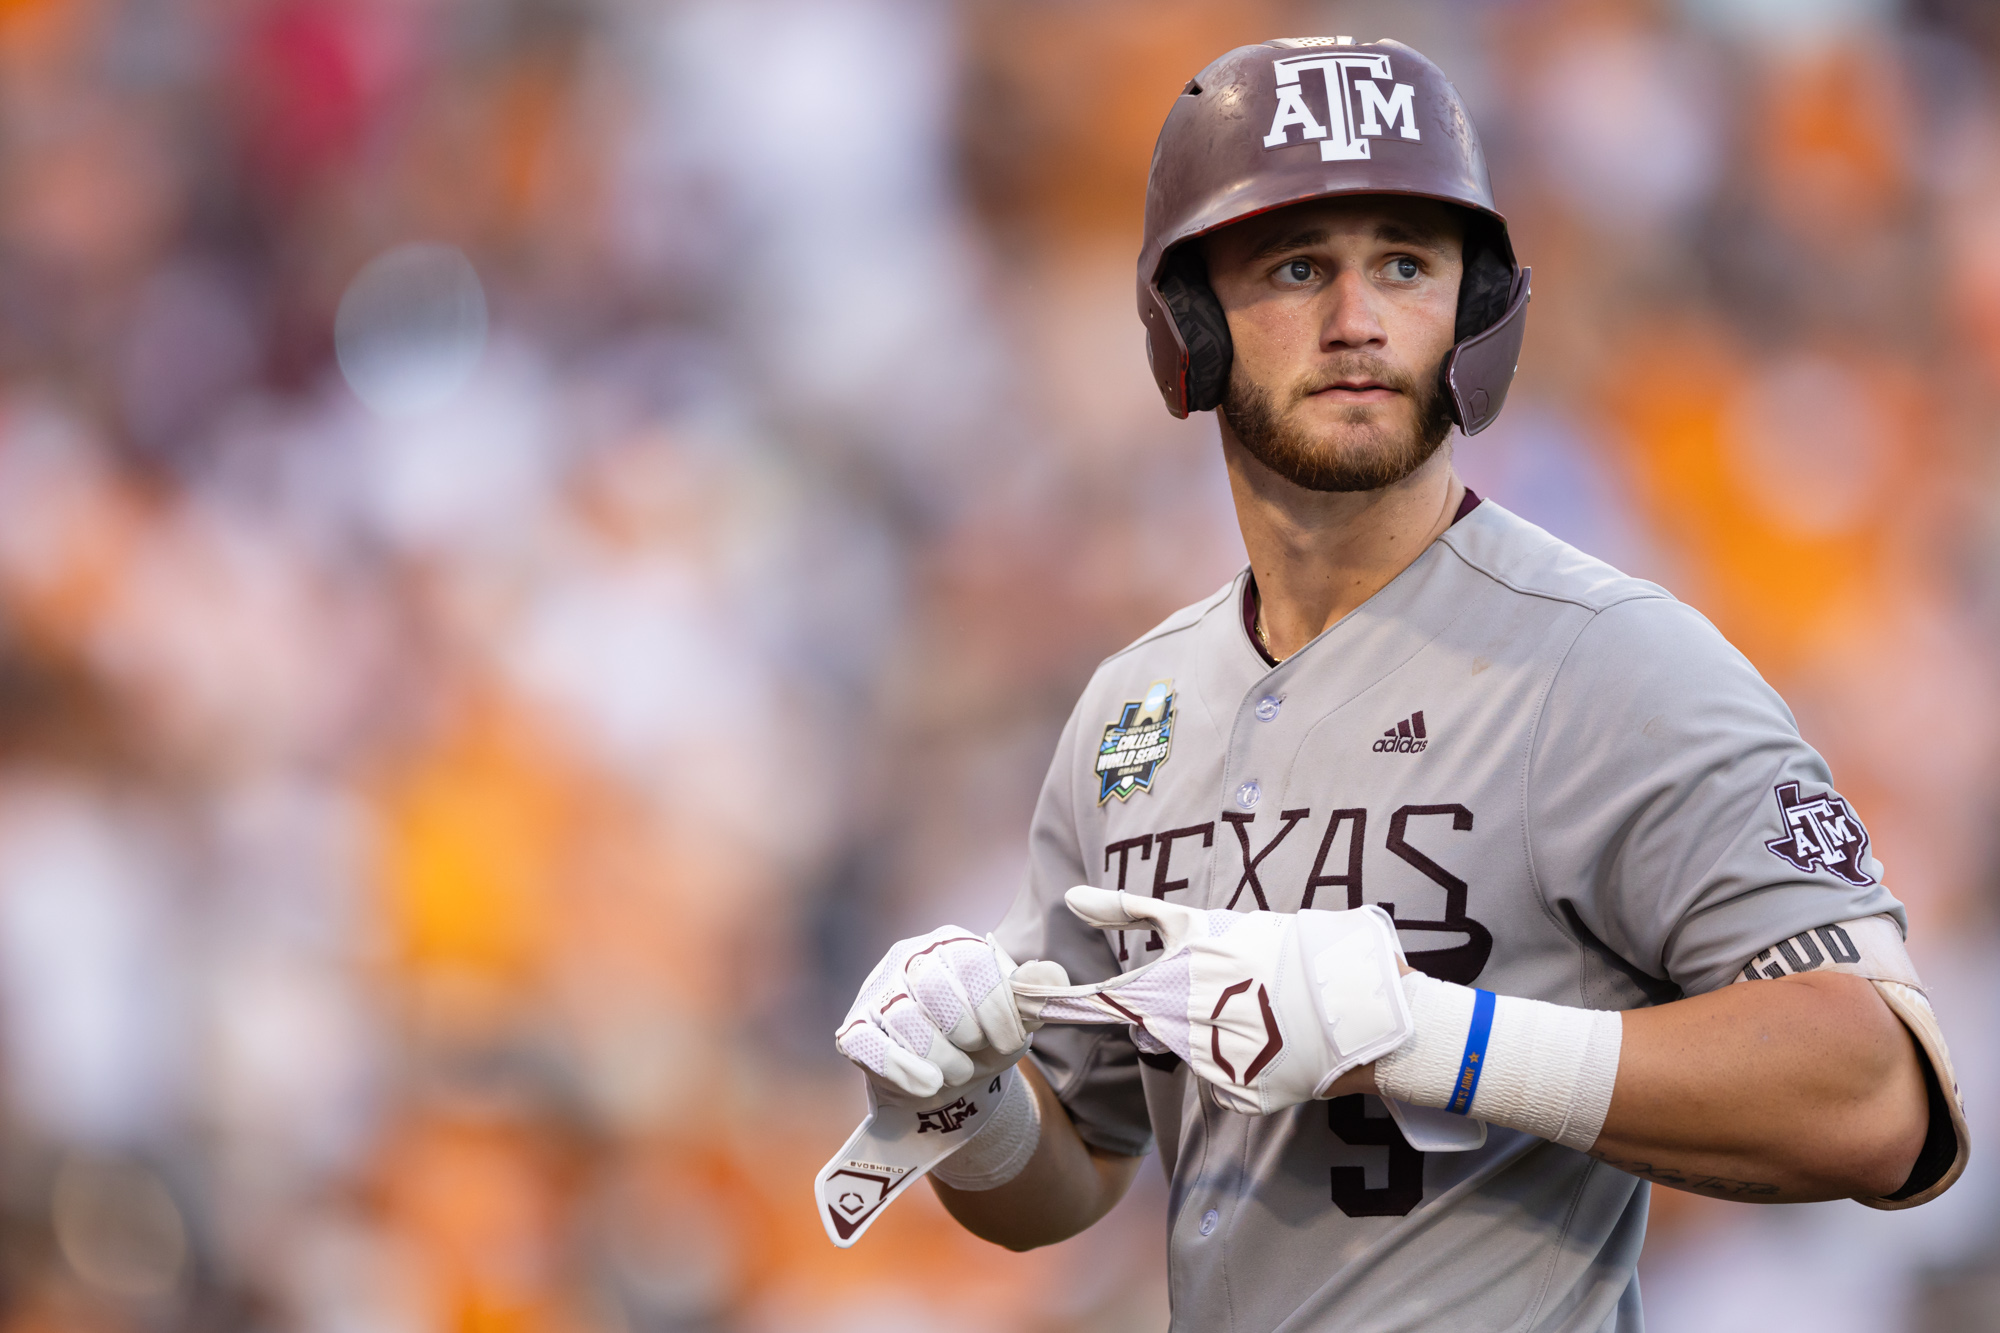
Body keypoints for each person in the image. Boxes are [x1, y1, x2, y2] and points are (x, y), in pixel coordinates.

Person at [827, 37, 1968, 1330]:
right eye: (1300, 265)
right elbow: (1074, 1174)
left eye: (1407, 265)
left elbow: (1881, 1096)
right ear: (1188, 321)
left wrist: (1437, 1038)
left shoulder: (1607, 656)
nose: (1358, 319)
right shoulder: (1131, 711)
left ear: (1474, 316)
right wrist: (966, 1100)